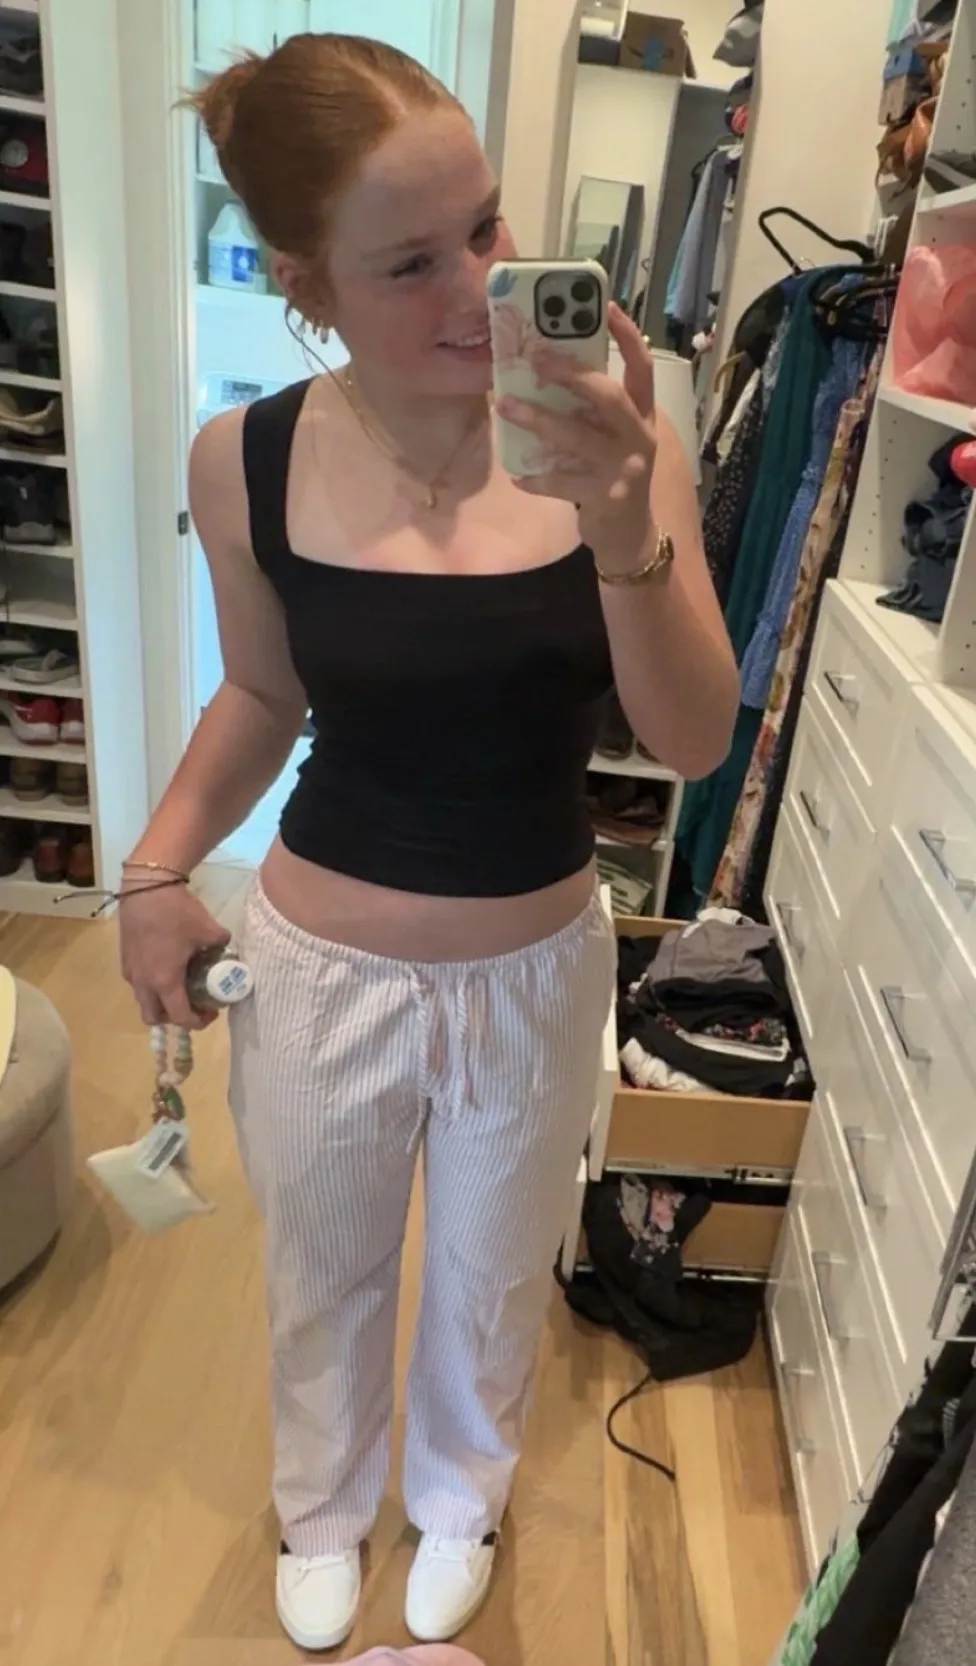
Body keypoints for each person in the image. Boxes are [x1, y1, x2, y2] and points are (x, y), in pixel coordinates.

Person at [119, 31, 738, 1652]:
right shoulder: (247, 460)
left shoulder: (619, 441)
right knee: (321, 1272)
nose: (477, 287)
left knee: (491, 1274)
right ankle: (320, 1506)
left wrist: (625, 522)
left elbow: (691, 738)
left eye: (485, 227)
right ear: (306, 285)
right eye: (411, 263)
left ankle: (461, 1493)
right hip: (318, 971)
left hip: (535, 969)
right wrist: (153, 867)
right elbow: (262, 692)